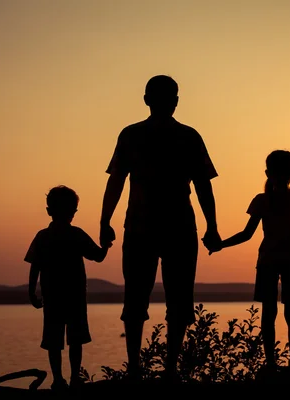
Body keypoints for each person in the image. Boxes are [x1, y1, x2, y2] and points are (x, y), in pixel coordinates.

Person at [99, 75, 221, 380]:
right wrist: (212, 226)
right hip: (165, 227)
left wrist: (105, 222)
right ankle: (161, 370)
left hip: (155, 227)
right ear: (174, 101)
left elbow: (116, 181)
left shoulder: (137, 135)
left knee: (148, 299)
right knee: (167, 300)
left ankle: (146, 370)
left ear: (146, 99)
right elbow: (203, 186)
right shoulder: (183, 136)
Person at [208, 150, 290, 372]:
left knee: (282, 314)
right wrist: (221, 245)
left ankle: (286, 364)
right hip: (279, 262)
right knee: (280, 313)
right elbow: (248, 234)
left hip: (282, 263)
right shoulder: (266, 201)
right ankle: (278, 364)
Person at [25, 185, 110, 390]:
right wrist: (106, 243)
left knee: (55, 341)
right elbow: (98, 256)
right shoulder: (75, 234)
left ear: (49, 210)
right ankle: (72, 379)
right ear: (72, 211)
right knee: (75, 339)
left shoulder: (43, 236)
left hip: (54, 297)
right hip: (73, 297)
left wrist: (32, 292)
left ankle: (59, 379)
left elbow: (34, 266)